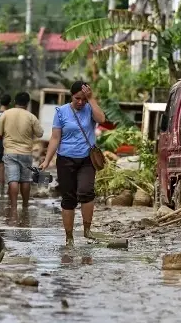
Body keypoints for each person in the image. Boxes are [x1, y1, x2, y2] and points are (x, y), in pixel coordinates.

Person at [39, 81, 106, 247]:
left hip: (86, 159)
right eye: (77, 98)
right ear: (72, 96)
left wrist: (92, 99)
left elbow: (102, 119)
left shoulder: (90, 108)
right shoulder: (61, 112)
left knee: (86, 191)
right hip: (65, 159)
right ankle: (69, 237)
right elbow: (55, 138)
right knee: (68, 198)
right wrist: (47, 160)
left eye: (83, 99)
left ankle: (87, 230)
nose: (80, 102)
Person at [0, 92, 43, 207]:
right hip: (26, 153)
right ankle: (25, 205)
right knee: (25, 180)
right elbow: (40, 133)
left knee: (13, 180)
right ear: (27, 103)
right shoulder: (31, 116)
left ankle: (13, 206)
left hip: (10, 152)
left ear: (14, 102)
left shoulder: (6, 114)